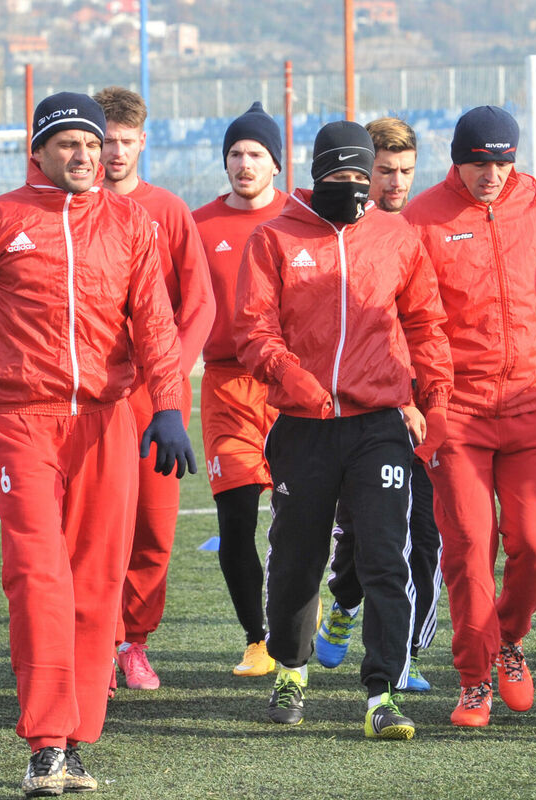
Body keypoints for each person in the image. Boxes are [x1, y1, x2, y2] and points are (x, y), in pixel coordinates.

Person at [0, 92, 195, 796]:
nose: (85, 156)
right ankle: (46, 743)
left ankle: (77, 740)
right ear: (39, 152)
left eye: (93, 144)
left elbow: (154, 323)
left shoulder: (132, 223)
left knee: (96, 584)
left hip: (107, 423)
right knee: (36, 577)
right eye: (69, 145)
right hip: (22, 420)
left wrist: (169, 407)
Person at [234, 120, 452, 739]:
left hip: (378, 423)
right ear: (316, 174)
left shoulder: (397, 236)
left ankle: (383, 691)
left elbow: (426, 323)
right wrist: (292, 377)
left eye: (361, 175)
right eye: (339, 175)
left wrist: (436, 400)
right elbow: (253, 327)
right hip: (303, 427)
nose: (352, 185)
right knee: (297, 557)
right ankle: (291, 669)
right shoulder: (274, 237)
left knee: (386, 556)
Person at [403, 106, 536, 728]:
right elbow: (407, 317)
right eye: (479, 164)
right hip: (457, 410)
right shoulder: (422, 218)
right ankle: (474, 681)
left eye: (503, 163)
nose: (492, 175)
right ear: (457, 161)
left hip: (532, 401)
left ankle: (508, 638)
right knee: (471, 545)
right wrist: (425, 398)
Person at [93, 86, 215, 691]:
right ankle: (99, 641)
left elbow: (200, 304)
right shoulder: (73, 210)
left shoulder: (167, 210)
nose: (114, 152)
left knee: (155, 527)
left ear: (143, 141)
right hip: (94, 396)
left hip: (156, 400)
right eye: (106, 141)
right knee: (97, 525)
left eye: (125, 141)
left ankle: (134, 642)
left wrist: (169, 375)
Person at [314, 117, 440, 693]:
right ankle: (343, 602)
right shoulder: (338, 232)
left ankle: (404, 655)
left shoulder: (424, 226)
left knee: (422, 534)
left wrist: (430, 397)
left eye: (405, 170)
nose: (396, 182)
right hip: (364, 411)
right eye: (384, 171)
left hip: (422, 408)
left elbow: (429, 322)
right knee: (365, 534)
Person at [193, 101, 287, 677]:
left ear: (276, 163)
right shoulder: (198, 226)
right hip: (227, 387)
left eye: (255, 153)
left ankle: (298, 618)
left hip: (289, 385)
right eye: (235, 153)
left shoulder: (299, 218)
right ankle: (258, 640)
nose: (244, 163)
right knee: (235, 520)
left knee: (300, 519)